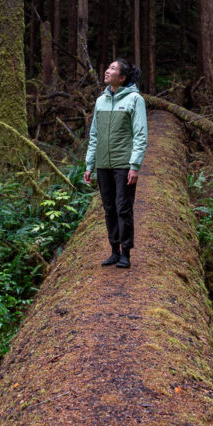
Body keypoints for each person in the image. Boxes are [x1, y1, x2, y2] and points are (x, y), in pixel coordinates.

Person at [83, 58, 148, 269]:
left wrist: (135, 165)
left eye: (112, 68)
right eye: (108, 66)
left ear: (122, 77)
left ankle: (126, 252)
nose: (107, 70)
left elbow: (140, 134)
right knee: (109, 208)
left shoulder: (134, 100)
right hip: (103, 163)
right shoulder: (101, 100)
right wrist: (89, 164)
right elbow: (94, 134)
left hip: (123, 162)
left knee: (123, 207)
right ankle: (113, 249)